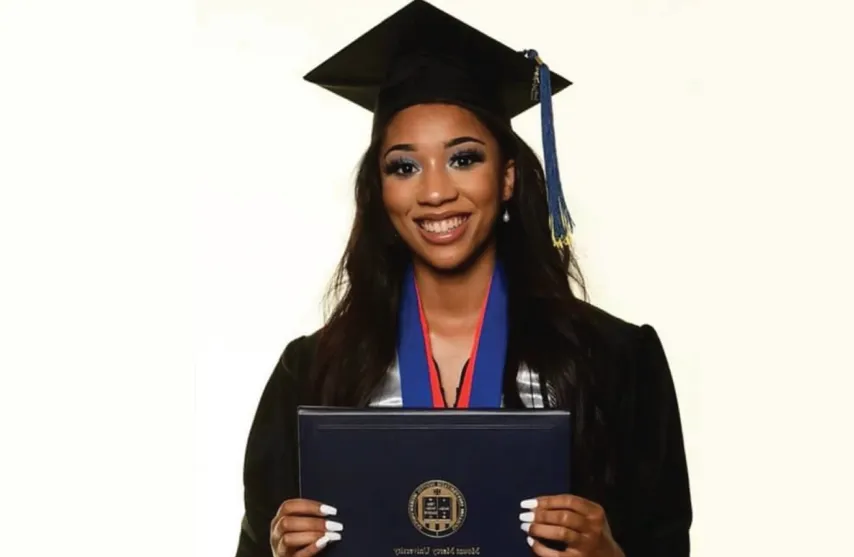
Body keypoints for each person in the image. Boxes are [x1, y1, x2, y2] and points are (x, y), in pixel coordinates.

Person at [235, 1, 692, 556]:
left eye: (464, 158)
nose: (434, 192)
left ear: (506, 179)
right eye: (403, 166)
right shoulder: (312, 374)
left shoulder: (616, 362)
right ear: (380, 193)